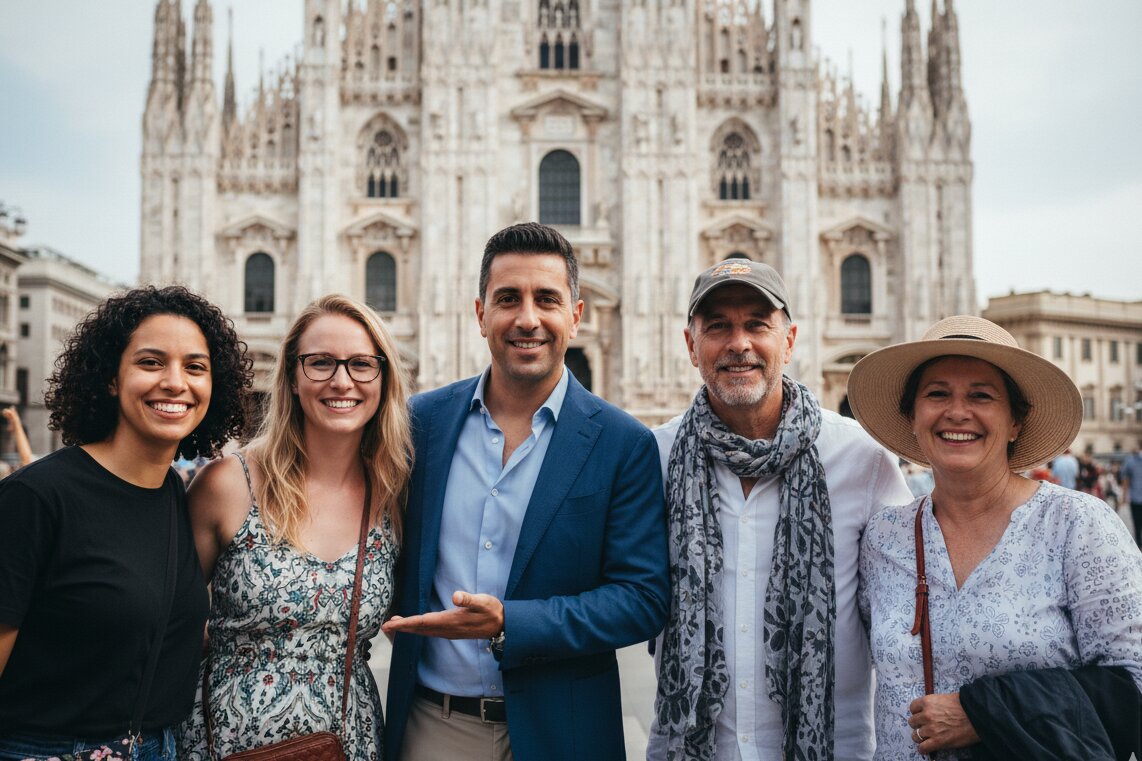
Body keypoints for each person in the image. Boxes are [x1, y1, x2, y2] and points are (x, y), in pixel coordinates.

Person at [383, 222, 669, 761]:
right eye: (508, 298)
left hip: (566, 732)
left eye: (547, 299)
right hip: (436, 725)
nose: (528, 319)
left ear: (576, 316)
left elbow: (642, 598)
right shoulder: (420, 424)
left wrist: (511, 624)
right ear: (480, 314)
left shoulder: (623, 442)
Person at [647, 259, 913, 761]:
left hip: (834, 748)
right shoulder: (655, 457)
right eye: (718, 326)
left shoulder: (861, 459)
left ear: (789, 341)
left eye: (757, 324)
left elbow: (907, 621)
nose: (739, 343)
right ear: (690, 345)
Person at [849, 315, 1142, 760]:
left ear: (1015, 422)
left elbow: (1133, 682)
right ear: (912, 417)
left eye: (981, 395)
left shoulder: (1077, 525)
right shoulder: (884, 536)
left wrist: (986, 713)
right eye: (937, 394)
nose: (957, 412)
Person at [0, 285, 252, 761]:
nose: (175, 382)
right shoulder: (38, 497)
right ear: (111, 379)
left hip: (161, 747)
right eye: (151, 362)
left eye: (195, 367)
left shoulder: (174, 493)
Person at [177, 295, 413, 760]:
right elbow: (168, 622)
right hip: (226, 744)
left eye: (362, 364)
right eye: (320, 362)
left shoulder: (394, 496)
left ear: (384, 378)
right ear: (291, 376)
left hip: (346, 745)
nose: (341, 380)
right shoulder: (230, 483)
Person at [1121, 447, 1142, 546]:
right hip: (1135, 497)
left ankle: (1139, 543)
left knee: (1137, 523)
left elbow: (1125, 479)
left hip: (1135, 497)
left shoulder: (1131, 461)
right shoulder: (1131, 461)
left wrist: (1124, 496)